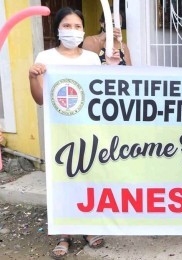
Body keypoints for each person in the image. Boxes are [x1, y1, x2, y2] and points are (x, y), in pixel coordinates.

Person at [28, 7, 120, 259]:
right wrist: (32, 77)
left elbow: (102, 94)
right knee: (63, 179)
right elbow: (40, 99)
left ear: (83, 30)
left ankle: (89, 228)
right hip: (59, 131)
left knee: (88, 177)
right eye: (67, 26)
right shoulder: (45, 56)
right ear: (58, 29)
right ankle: (64, 233)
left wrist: (111, 67)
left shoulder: (91, 59)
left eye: (77, 26)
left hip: (87, 128)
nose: (72, 31)